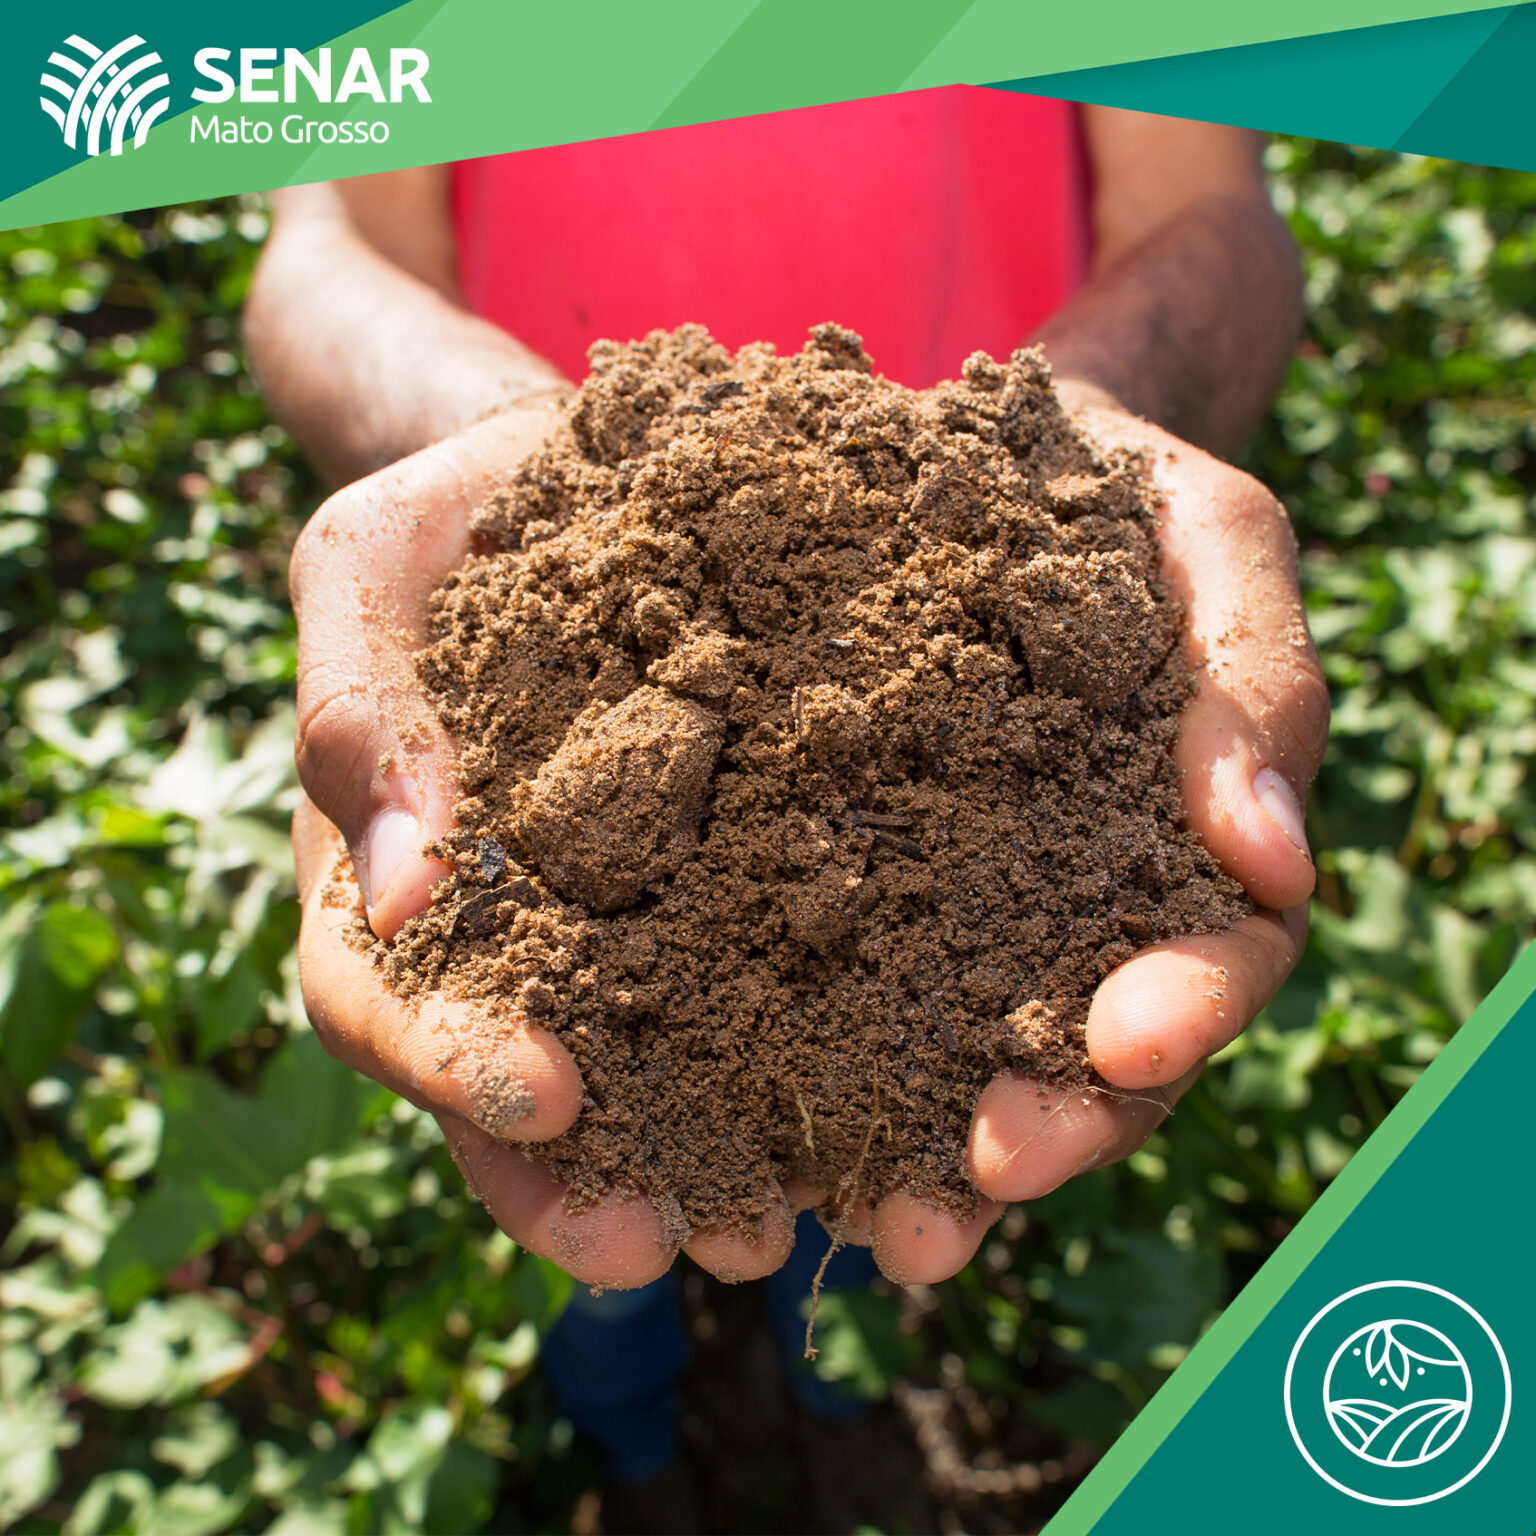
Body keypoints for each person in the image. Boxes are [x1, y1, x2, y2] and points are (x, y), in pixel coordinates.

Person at [246, 90, 1328, 1509]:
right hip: (563, 525)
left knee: (893, 1196)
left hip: (1007, 510)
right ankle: (634, 1442)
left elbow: (1212, 210)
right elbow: (329, 240)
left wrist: (1083, 435)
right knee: (571, 1178)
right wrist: (508, 443)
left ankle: (832, 1398)